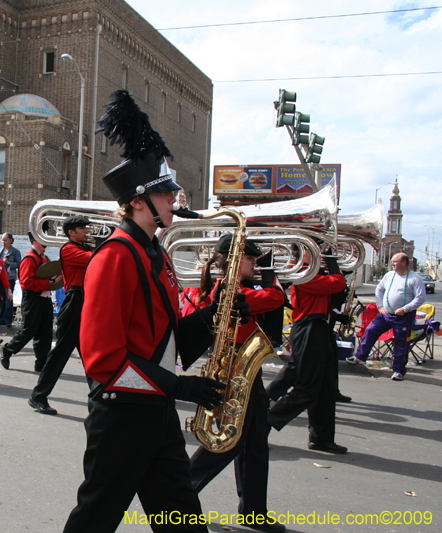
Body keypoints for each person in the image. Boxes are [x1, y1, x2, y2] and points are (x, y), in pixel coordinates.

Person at [64, 90, 243, 533]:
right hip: (122, 417)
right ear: (139, 201)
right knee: (94, 521)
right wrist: (178, 386)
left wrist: (215, 313)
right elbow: (104, 361)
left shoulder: (155, 253)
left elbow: (166, 340)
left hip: (156, 413)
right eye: (165, 193)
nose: (175, 199)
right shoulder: (114, 257)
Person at [187, 235, 286, 533]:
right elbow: (275, 298)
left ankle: (254, 511)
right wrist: (270, 274)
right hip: (235, 365)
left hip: (246, 366)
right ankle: (178, 494)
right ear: (232, 261)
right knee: (230, 441)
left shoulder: (240, 287)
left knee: (254, 441)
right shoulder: (229, 289)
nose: (255, 264)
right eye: (250, 259)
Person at [267, 246, 348, 454]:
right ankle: (263, 421)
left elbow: (337, 294)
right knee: (308, 386)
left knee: (326, 388)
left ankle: (321, 439)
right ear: (305, 250)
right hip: (309, 328)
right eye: (317, 249)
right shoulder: (302, 272)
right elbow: (337, 284)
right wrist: (332, 261)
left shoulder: (313, 271)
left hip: (320, 327)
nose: (320, 253)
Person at [28, 216, 92, 415]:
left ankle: (100, 398)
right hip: (75, 302)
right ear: (71, 232)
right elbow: (96, 259)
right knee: (60, 354)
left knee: (91, 353)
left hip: (86, 301)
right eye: (83, 228)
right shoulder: (69, 249)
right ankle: (38, 395)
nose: (87, 231)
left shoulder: (84, 247)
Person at [347, 252, 425, 381]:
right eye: (392, 261)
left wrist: (405, 309)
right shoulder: (389, 275)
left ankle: (398, 370)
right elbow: (379, 289)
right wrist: (380, 306)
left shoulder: (415, 278)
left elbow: (420, 297)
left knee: (401, 342)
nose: (392, 264)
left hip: (403, 316)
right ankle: (360, 357)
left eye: (395, 261)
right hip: (386, 314)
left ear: (404, 263)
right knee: (371, 330)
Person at [0, 232, 61, 371]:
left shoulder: (43, 259)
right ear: (35, 242)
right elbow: (27, 283)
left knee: (45, 333)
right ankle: (7, 349)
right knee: (29, 330)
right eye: (42, 241)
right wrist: (50, 282)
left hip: (45, 299)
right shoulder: (29, 259)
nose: (45, 244)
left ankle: (41, 363)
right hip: (33, 299)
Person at [0, 233, 22, 326]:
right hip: (0, 278)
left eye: (5, 240)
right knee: (2, 298)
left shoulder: (15, 251)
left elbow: (19, 264)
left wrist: (8, 263)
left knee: (8, 298)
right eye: (2, 240)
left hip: (10, 278)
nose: (3, 242)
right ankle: (0, 319)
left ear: (11, 240)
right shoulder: (0, 251)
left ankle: (8, 320)